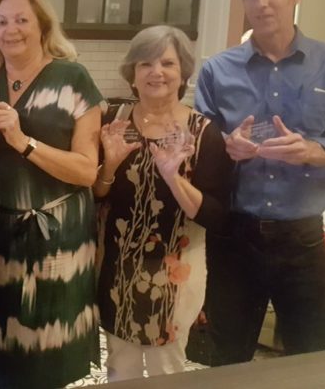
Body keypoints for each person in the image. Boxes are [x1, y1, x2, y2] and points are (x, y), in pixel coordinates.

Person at [0, 0, 103, 389]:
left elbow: (86, 171)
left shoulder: (73, 78)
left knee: (46, 358)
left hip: (57, 243)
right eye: (1, 22)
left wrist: (24, 141)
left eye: (22, 20)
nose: (11, 30)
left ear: (42, 24)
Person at [195, 0, 325, 365]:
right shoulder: (217, 71)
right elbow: (199, 150)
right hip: (235, 236)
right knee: (227, 359)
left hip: (303, 238)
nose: (261, 3)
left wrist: (315, 152)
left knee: (311, 358)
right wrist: (225, 147)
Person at [93, 25, 232, 381]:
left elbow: (217, 216)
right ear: (132, 74)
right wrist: (109, 166)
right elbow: (94, 196)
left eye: (167, 63)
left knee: (167, 372)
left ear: (183, 73)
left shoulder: (203, 133)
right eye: (145, 63)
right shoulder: (112, 121)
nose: (156, 72)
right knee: (119, 369)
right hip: (117, 270)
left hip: (176, 277)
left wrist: (173, 177)